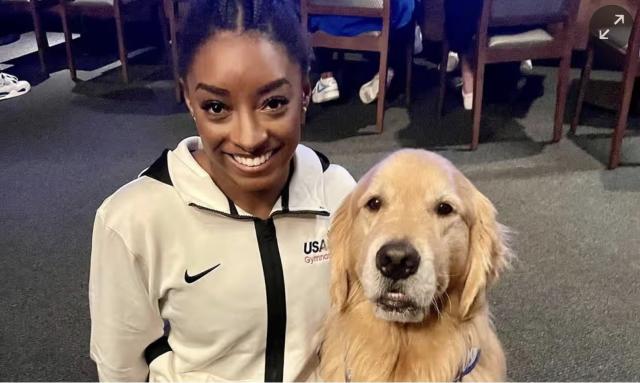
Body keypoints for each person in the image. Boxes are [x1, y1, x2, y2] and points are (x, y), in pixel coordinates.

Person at [88, 0, 356, 381]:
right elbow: (120, 368)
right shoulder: (133, 220)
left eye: (274, 103)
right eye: (216, 106)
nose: (249, 138)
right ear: (188, 100)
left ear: (306, 91)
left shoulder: (342, 195)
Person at [308, 0, 416, 104]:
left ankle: (326, 76)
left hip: (327, 24)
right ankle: (387, 70)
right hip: (375, 25)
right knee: (403, 15)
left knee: (311, 14)